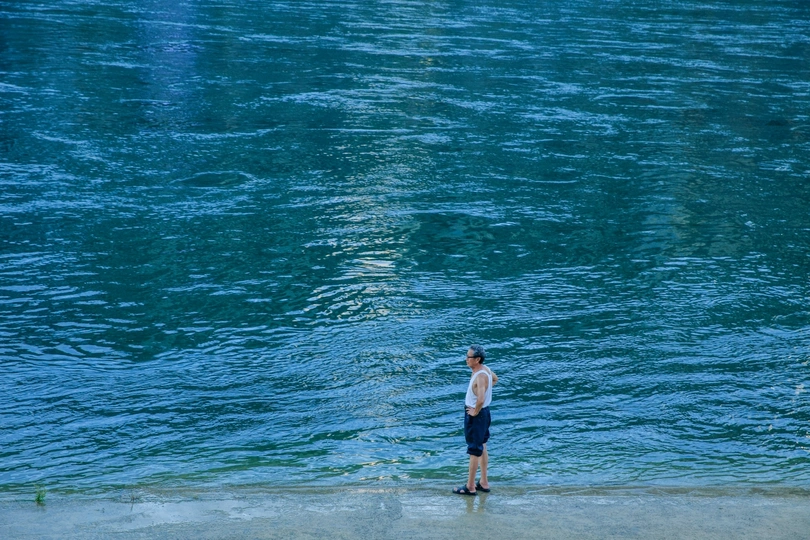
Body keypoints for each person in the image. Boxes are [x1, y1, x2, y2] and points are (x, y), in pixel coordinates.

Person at [453, 344, 497, 496]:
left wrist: (475, 411)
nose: (466, 359)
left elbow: (481, 399)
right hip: (485, 413)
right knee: (482, 445)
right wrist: (485, 390)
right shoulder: (486, 370)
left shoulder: (480, 376)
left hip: (477, 415)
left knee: (474, 450)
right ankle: (483, 482)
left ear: (477, 359)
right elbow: (495, 379)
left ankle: (470, 486)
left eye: (469, 357)